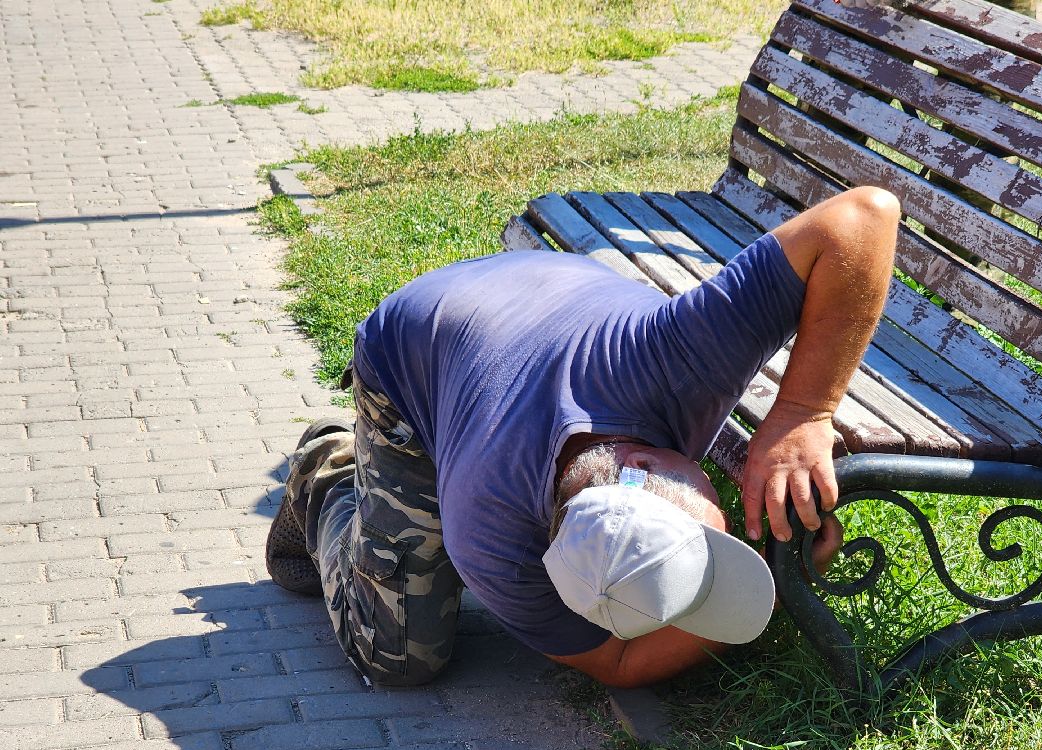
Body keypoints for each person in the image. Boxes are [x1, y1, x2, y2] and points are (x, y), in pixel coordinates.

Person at [266, 186, 901, 689]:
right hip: (407, 359)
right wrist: (783, 585)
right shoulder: (488, 536)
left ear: (645, 459)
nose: (731, 522)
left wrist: (802, 414)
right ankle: (330, 472)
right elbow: (617, 664)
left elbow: (864, 215)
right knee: (397, 657)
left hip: (539, 289)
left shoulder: (679, 357)